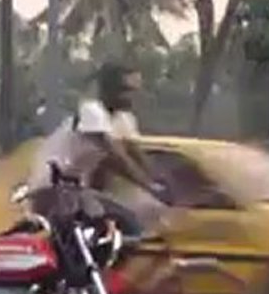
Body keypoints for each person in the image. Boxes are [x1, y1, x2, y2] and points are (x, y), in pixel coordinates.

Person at [26, 61, 165, 225]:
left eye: (136, 90)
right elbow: (115, 157)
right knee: (127, 223)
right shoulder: (92, 110)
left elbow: (135, 153)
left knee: (118, 224)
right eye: (127, 90)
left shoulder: (124, 119)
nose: (134, 96)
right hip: (51, 185)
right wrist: (149, 186)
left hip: (75, 189)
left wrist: (161, 181)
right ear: (109, 89)